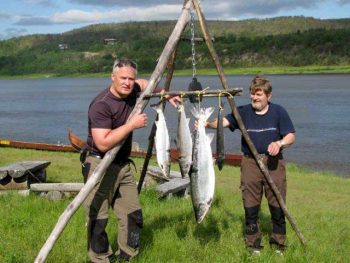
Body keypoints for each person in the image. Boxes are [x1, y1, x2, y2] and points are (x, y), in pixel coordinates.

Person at [81, 58, 178, 263]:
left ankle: (128, 256)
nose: (127, 82)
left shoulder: (134, 87)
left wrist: (166, 95)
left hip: (123, 165)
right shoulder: (101, 104)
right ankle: (100, 259)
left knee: (132, 213)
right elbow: (103, 143)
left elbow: (145, 84)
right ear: (113, 77)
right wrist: (131, 125)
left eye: (130, 78)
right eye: (123, 77)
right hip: (99, 164)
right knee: (98, 217)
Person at [205, 75, 295, 254]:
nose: (255, 98)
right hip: (249, 163)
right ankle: (253, 245)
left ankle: (279, 244)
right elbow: (224, 122)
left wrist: (280, 143)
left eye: (259, 94)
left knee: (277, 205)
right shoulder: (243, 112)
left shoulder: (279, 112)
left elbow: (291, 135)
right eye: (252, 94)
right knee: (250, 206)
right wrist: (205, 123)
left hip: (273, 163)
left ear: (268, 96)